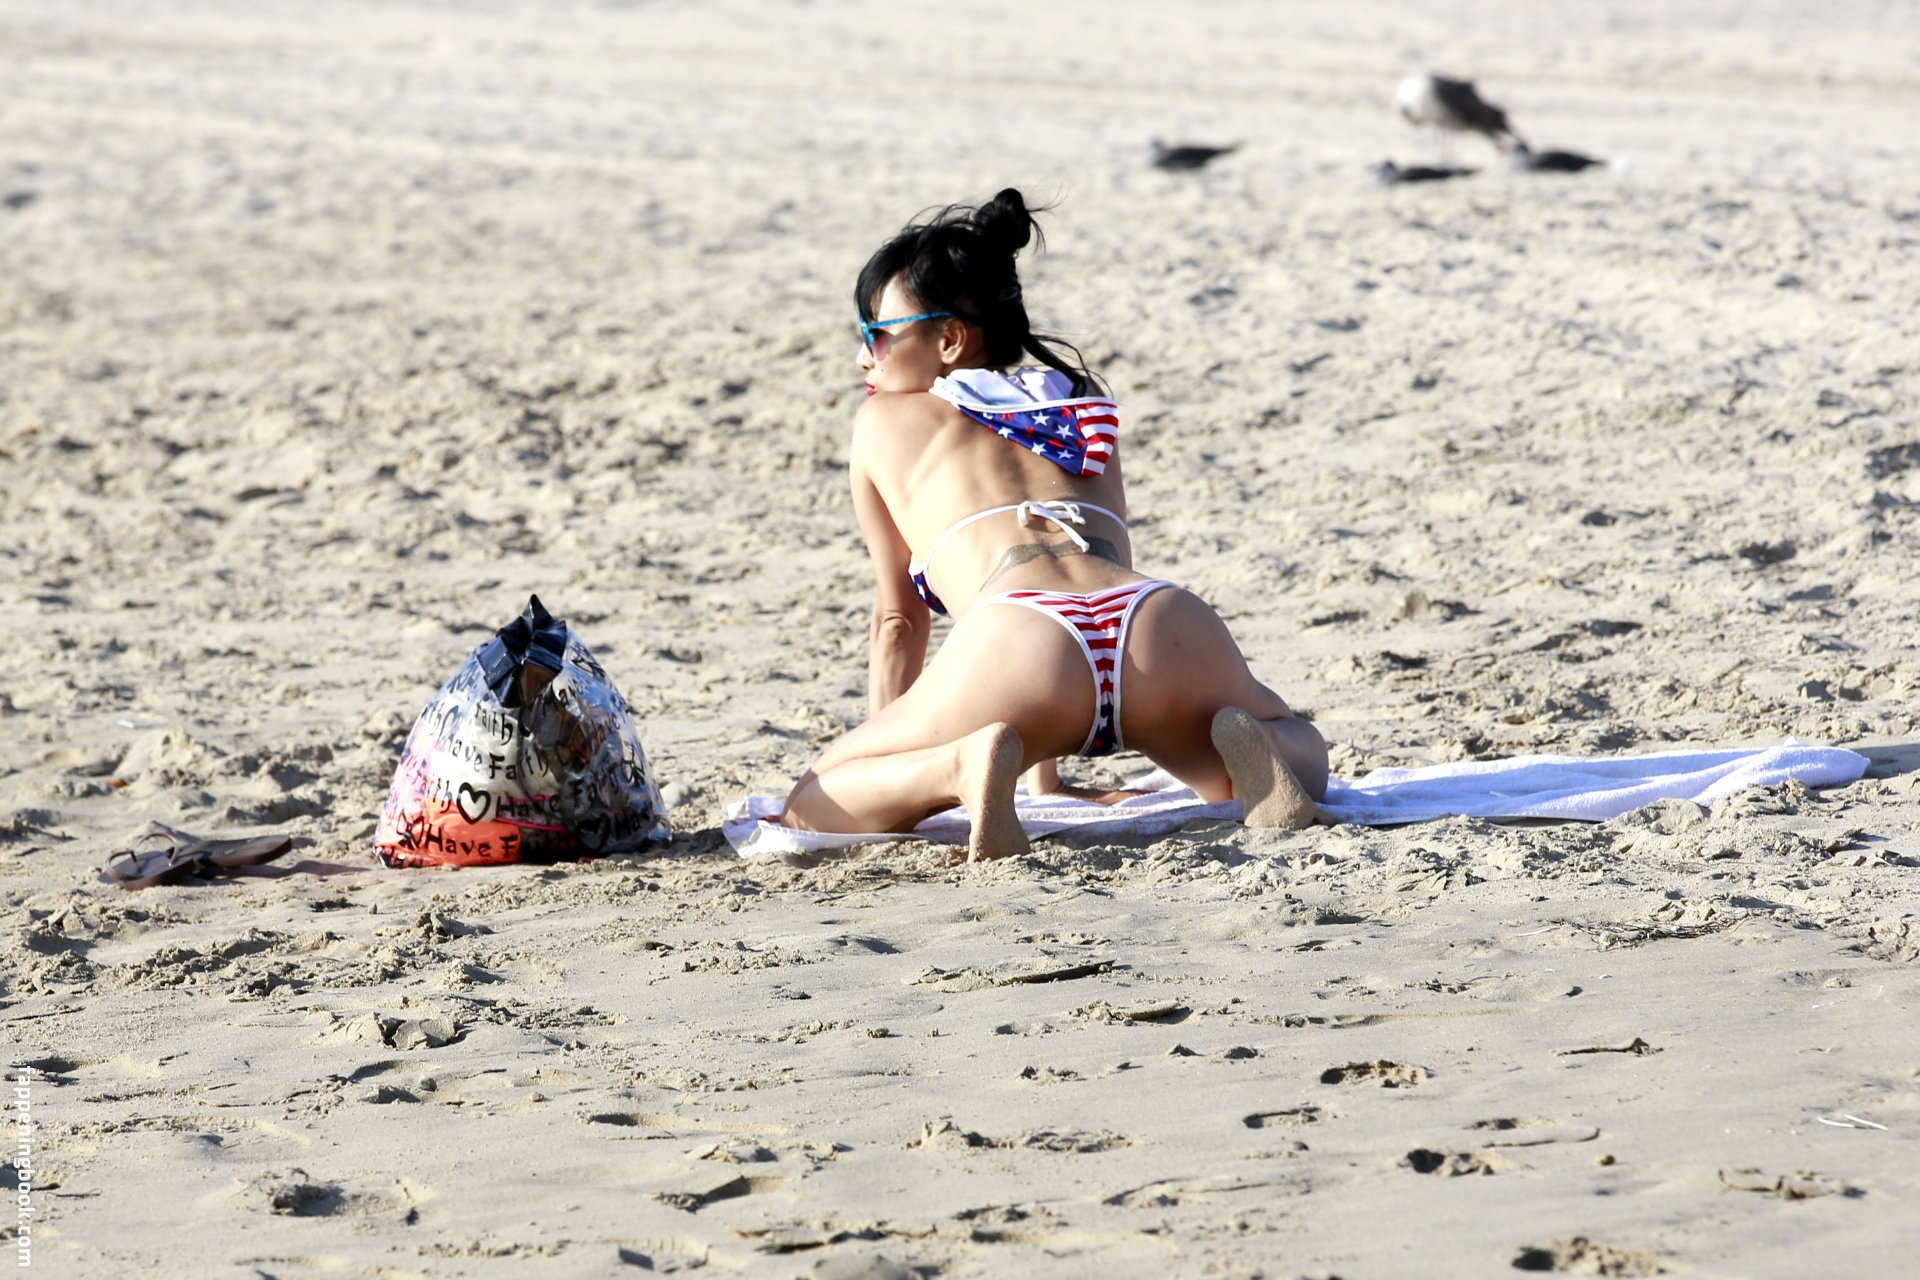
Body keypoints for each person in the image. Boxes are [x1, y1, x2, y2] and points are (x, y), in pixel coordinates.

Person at [780, 190, 1328, 861]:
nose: (864, 356)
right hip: (1155, 622)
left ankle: (956, 766)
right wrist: (1048, 781)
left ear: (948, 340)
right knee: (1296, 745)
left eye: (877, 334)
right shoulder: (1081, 408)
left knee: (813, 803)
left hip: (1017, 643)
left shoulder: (883, 420)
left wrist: (898, 753)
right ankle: (1265, 748)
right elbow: (1098, 562)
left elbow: (897, 621)